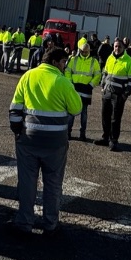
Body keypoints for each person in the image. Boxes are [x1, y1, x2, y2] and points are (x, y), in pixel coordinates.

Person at [8, 47, 82, 236]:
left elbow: (15, 107)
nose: (65, 66)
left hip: (28, 139)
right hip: (55, 143)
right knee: (53, 183)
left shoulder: (28, 76)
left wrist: (17, 131)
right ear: (55, 62)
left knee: (27, 182)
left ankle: (24, 222)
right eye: (64, 62)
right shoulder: (62, 81)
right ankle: (50, 224)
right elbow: (76, 109)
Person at [95, 40, 131, 151]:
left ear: (124, 48)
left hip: (118, 95)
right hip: (107, 93)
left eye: (119, 47)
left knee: (115, 119)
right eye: (115, 46)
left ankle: (113, 141)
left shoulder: (129, 61)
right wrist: (103, 86)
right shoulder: (110, 58)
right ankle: (105, 138)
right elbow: (105, 73)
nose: (117, 48)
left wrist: (125, 95)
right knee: (105, 117)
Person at [65, 41, 101, 140]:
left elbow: (98, 75)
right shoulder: (74, 59)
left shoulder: (94, 61)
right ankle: (68, 132)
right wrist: (70, 82)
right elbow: (67, 71)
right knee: (71, 112)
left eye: (86, 51)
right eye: (82, 51)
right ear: (80, 50)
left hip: (86, 89)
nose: (84, 53)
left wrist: (91, 85)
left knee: (83, 113)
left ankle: (82, 134)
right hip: (74, 88)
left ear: (89, 51)